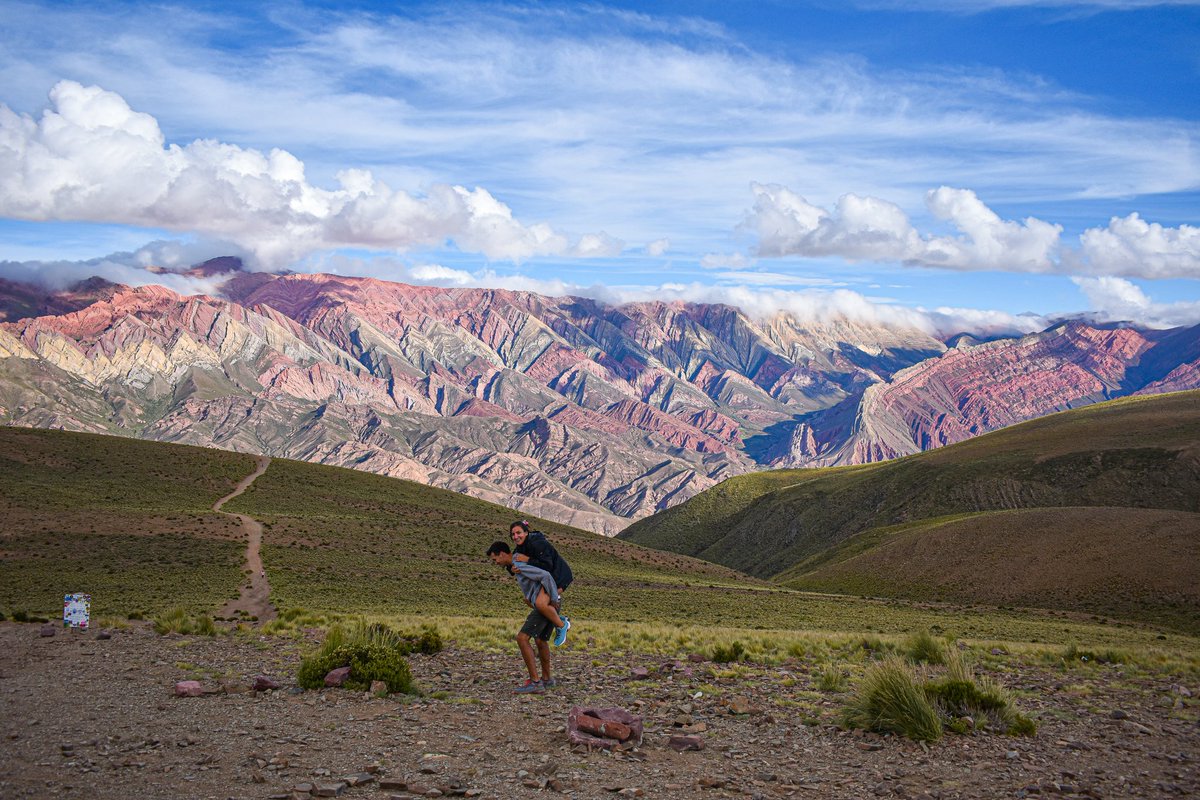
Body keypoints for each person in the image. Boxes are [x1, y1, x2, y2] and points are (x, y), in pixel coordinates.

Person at [486, 541, 569, 694]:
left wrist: (552, 598)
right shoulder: (516, 565)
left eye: (495, 559)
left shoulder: (519, 564)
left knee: (522, 638)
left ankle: (535, 683)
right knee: (540, 640)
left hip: (545, 603)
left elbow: (545, 575)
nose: (495, 562)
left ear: (502, 554)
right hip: (545, 602)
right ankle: (547, 680)